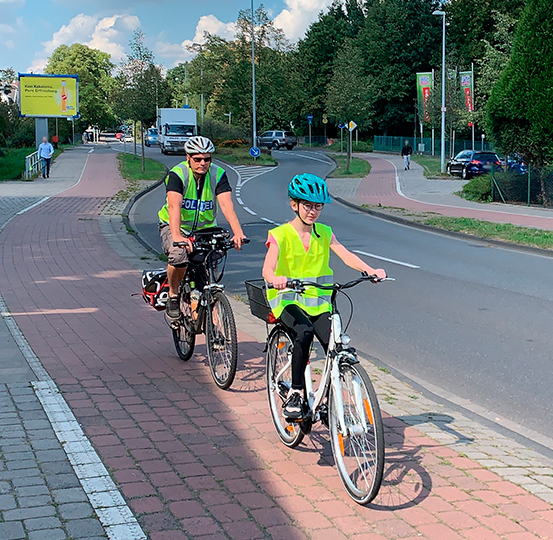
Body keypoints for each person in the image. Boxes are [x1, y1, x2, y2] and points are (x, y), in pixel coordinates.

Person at [262, 173, 387, 421]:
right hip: (286, 298)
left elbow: (345, 254)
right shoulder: (280, 234)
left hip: (318, 301)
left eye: (318, 206)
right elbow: (267, 268)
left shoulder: (325, 233)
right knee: (304, 332)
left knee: (335, 343)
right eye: (308, 205)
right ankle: (297, 393)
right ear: (294, 204)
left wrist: (369, 270)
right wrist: (275, 278)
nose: (313, 211)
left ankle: (330, 398)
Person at [159, 136, 247, 324]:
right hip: (175, 226)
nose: (202, 163)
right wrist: (177, 235)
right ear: (188, 157)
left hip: (204, 229)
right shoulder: (178, 174)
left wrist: (238, 232)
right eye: (197, 159)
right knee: (178, 256)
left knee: (209, 266)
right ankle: (173, 296)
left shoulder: (218, 174)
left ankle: (213, 324)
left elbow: (226, 205)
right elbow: (174, 206)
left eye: (207, 159)